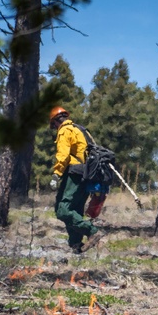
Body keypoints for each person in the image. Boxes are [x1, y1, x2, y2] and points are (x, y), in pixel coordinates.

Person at [49, 106, 104, 253]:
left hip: (74, 174)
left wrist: (56, 174)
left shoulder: (65, 130)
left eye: (53, 126)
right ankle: (76, 245)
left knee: (62, 210)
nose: (55, 129)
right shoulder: (81, 130)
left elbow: (63, 155)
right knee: (75, 210)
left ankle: (92, 231)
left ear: (55, 122)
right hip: (86, 175)